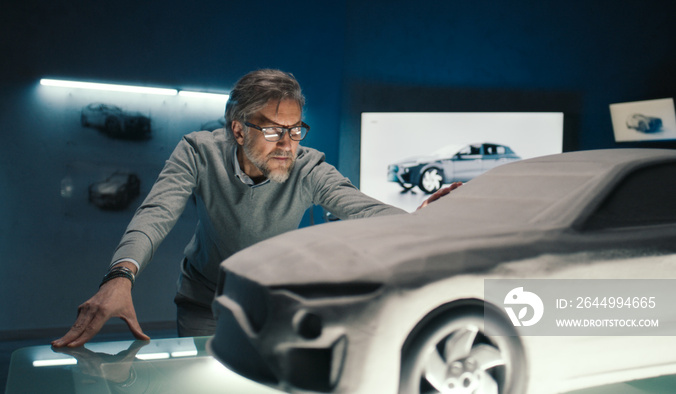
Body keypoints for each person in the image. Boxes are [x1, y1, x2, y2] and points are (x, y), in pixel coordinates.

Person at [52, 69, 460, 348]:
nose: (287, 144)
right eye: (271, 130)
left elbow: (360, 207)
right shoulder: (197, 151)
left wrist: (414, 222)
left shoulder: (308, 167)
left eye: (295, 129)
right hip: (203, 302)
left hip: (274, 302)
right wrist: (120, 276)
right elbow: (155, 213)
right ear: (237, 128)